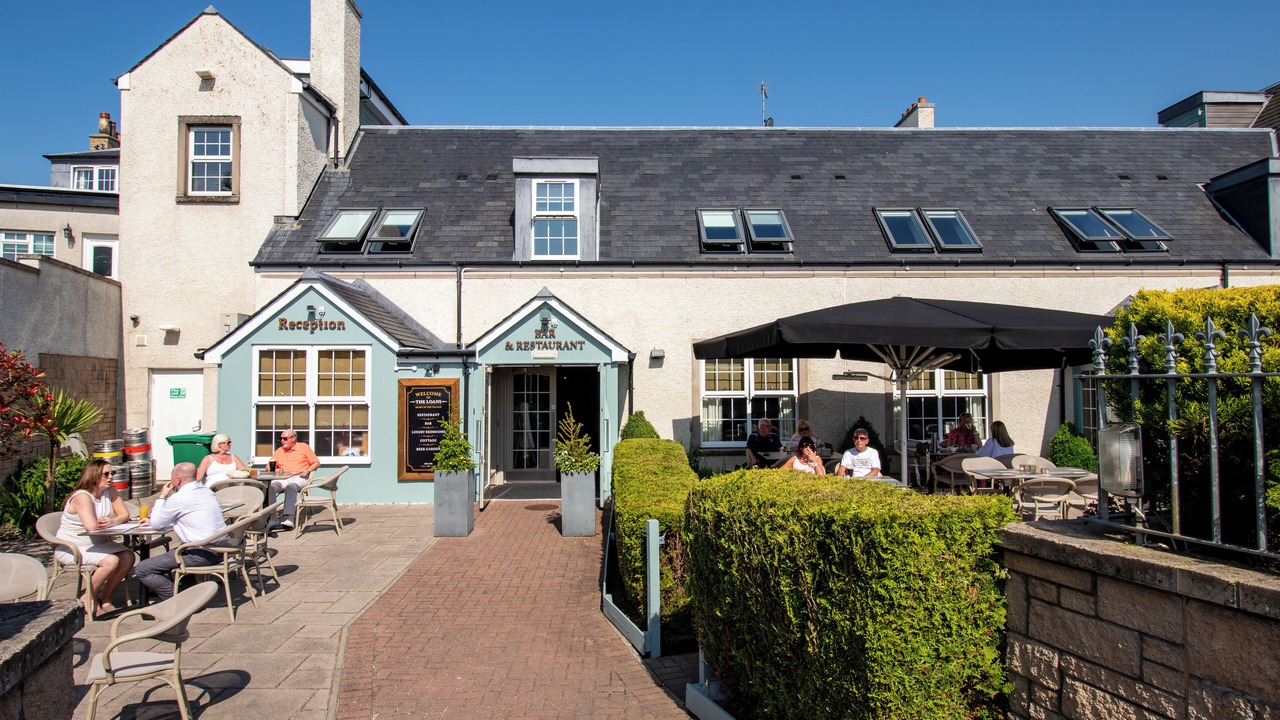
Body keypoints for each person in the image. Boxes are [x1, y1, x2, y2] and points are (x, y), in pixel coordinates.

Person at [133, 462, 227, 601]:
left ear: (178, 479)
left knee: (143, 569)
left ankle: (177, 600)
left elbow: (157, 523)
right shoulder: (205, 491)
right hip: (221, 549)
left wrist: (161, 497)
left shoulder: (179, 498)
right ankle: (190, 592)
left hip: (200, 553)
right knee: (178, 552)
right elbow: (188, 516)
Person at [55, 459, 135, 617]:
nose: (110, 477)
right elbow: (91, 527)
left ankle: (105, 596)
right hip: (74, 547)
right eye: (106, 474)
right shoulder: (82, 497)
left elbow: (124, 514)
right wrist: (109, 523)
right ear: (94, 476)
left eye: (113, 473)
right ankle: (88, 596)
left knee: (128, 556)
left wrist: (113, 521)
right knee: (111, 561)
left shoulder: (109, 491)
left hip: (100, 543)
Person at [268, 428, 321, 529]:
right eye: (281, 439)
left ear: (293, 438)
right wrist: (276, 469)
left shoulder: (303, 447)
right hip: (283, 478)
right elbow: (268, 466)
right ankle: (273, 518)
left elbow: (316, 462)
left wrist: (308, 470)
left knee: (291, 487)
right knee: (270, 487)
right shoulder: (279, 451)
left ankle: (289, 518)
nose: (282, 441)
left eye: (285, 438)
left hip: (300, 477)